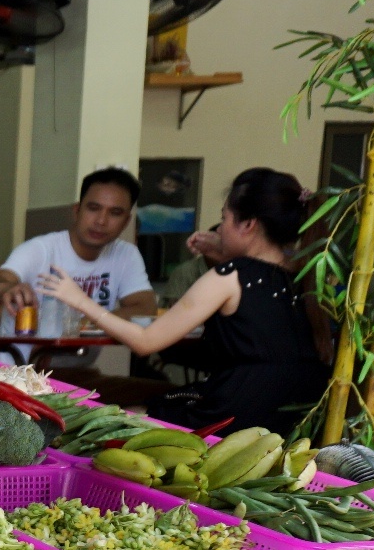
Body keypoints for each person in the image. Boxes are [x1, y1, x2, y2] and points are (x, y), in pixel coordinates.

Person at [35, 167, 327, 434]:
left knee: (125, 418)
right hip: (292, 415)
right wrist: (226, 254)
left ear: (248, 224)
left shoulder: (231, 275)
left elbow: (145, 342)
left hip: (236, 411)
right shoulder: (303, 276)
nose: (219, 229)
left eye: (224, 219)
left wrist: (79, 299)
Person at [0, 168, 157, 325]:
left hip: (79, 360)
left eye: (115, 213)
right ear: (76, 211)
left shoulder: (126, 254)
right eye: (93, 208)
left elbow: (145, 309)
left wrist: (84, 324)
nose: (101, 221)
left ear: (126, 222)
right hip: (23, 360)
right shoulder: (40, 249)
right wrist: (6, 288)